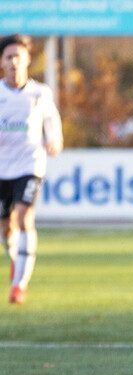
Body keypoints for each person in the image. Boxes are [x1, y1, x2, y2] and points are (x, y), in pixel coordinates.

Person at [0, 34, 63, 305]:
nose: (14, 61)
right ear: (2, 62)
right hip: (2, 168)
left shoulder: (40, 93)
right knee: (6, 227)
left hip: (30, 164)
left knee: (25, 215)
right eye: (8, 56)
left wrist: (54, 139)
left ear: (27, 59)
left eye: (18, 56)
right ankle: (16, 261)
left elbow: (51, 120)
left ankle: (19, 286)